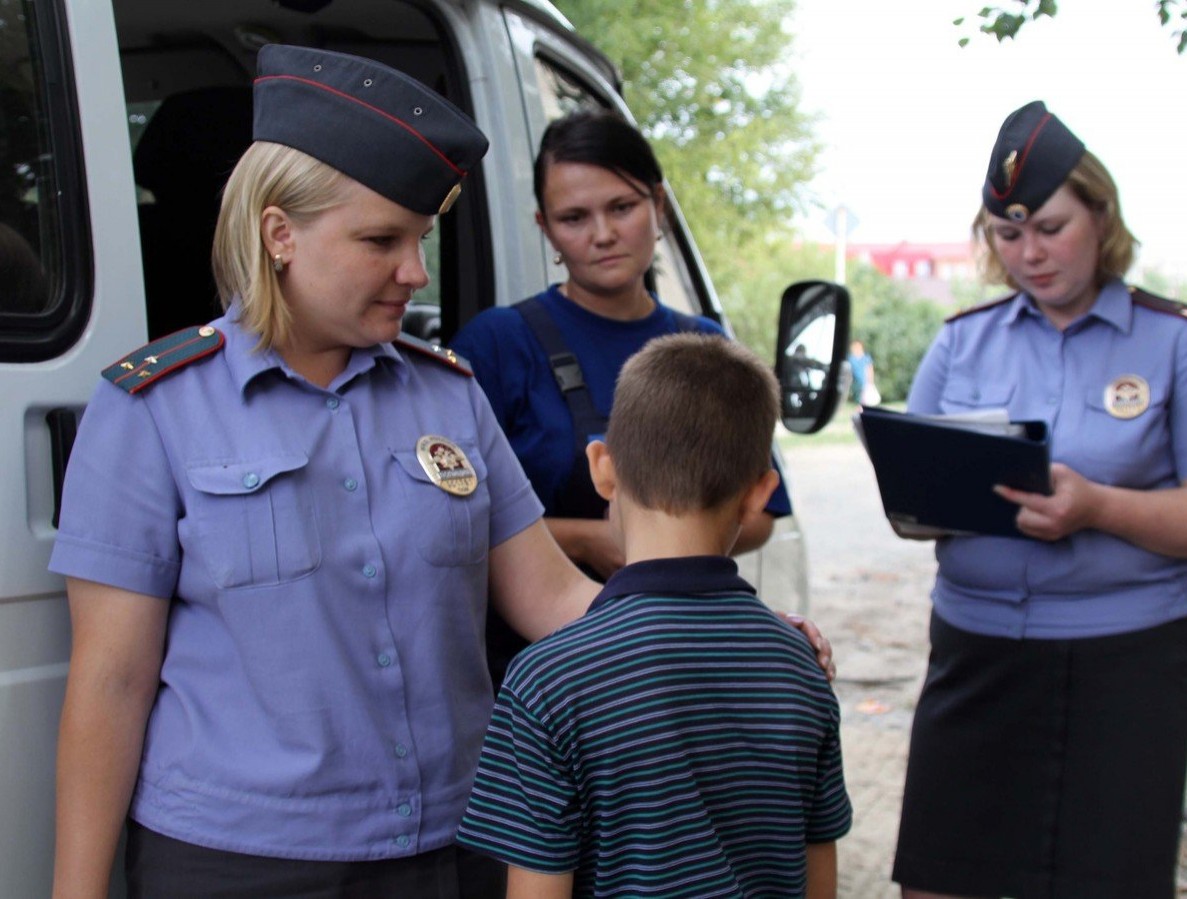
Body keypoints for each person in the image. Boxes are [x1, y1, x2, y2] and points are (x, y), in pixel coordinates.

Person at [47, 44, 602, 898]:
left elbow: (555, 599)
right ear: (279, 234)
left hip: (454, 846)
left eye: (419, 240)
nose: (415, 272)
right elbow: (111, 681)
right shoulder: (152, 408)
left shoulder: (447, 396)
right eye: (381, 240)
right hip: (238, 863)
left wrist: (715, 630)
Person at [892, 100, 1187, 899]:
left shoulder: (1170, 340)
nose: (1030, 253)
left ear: (1101, 214)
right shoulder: (961, 340)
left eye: (1051, 227)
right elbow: (912, 495)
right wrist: (923, 495)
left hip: (1125, 666)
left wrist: (1098, 507)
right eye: (1007, 234)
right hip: (976, 654)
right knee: (939, 880)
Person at [456, 332, 852, 898]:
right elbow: (820, 883)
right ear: (760, 493)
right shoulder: (800, 663)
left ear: (603, 470)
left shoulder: (547, 680)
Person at [449, 108, 793, 685]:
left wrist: (662, 544)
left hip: (676, 668)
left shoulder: (705, 347)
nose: (603, 234)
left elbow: (760, 518)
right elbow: (448, 520)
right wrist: (587, 538)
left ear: (658, 205)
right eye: (574, 217)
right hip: (527, 669)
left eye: (622, 208)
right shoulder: (495, 345)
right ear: (545, 228)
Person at [846, 339, 877, 406]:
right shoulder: (850, 358)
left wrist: (871, 382)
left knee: (864, 398)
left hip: (864, 381)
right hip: (855, 382)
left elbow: (870, 370)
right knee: (858, 398)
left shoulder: (866, 358)